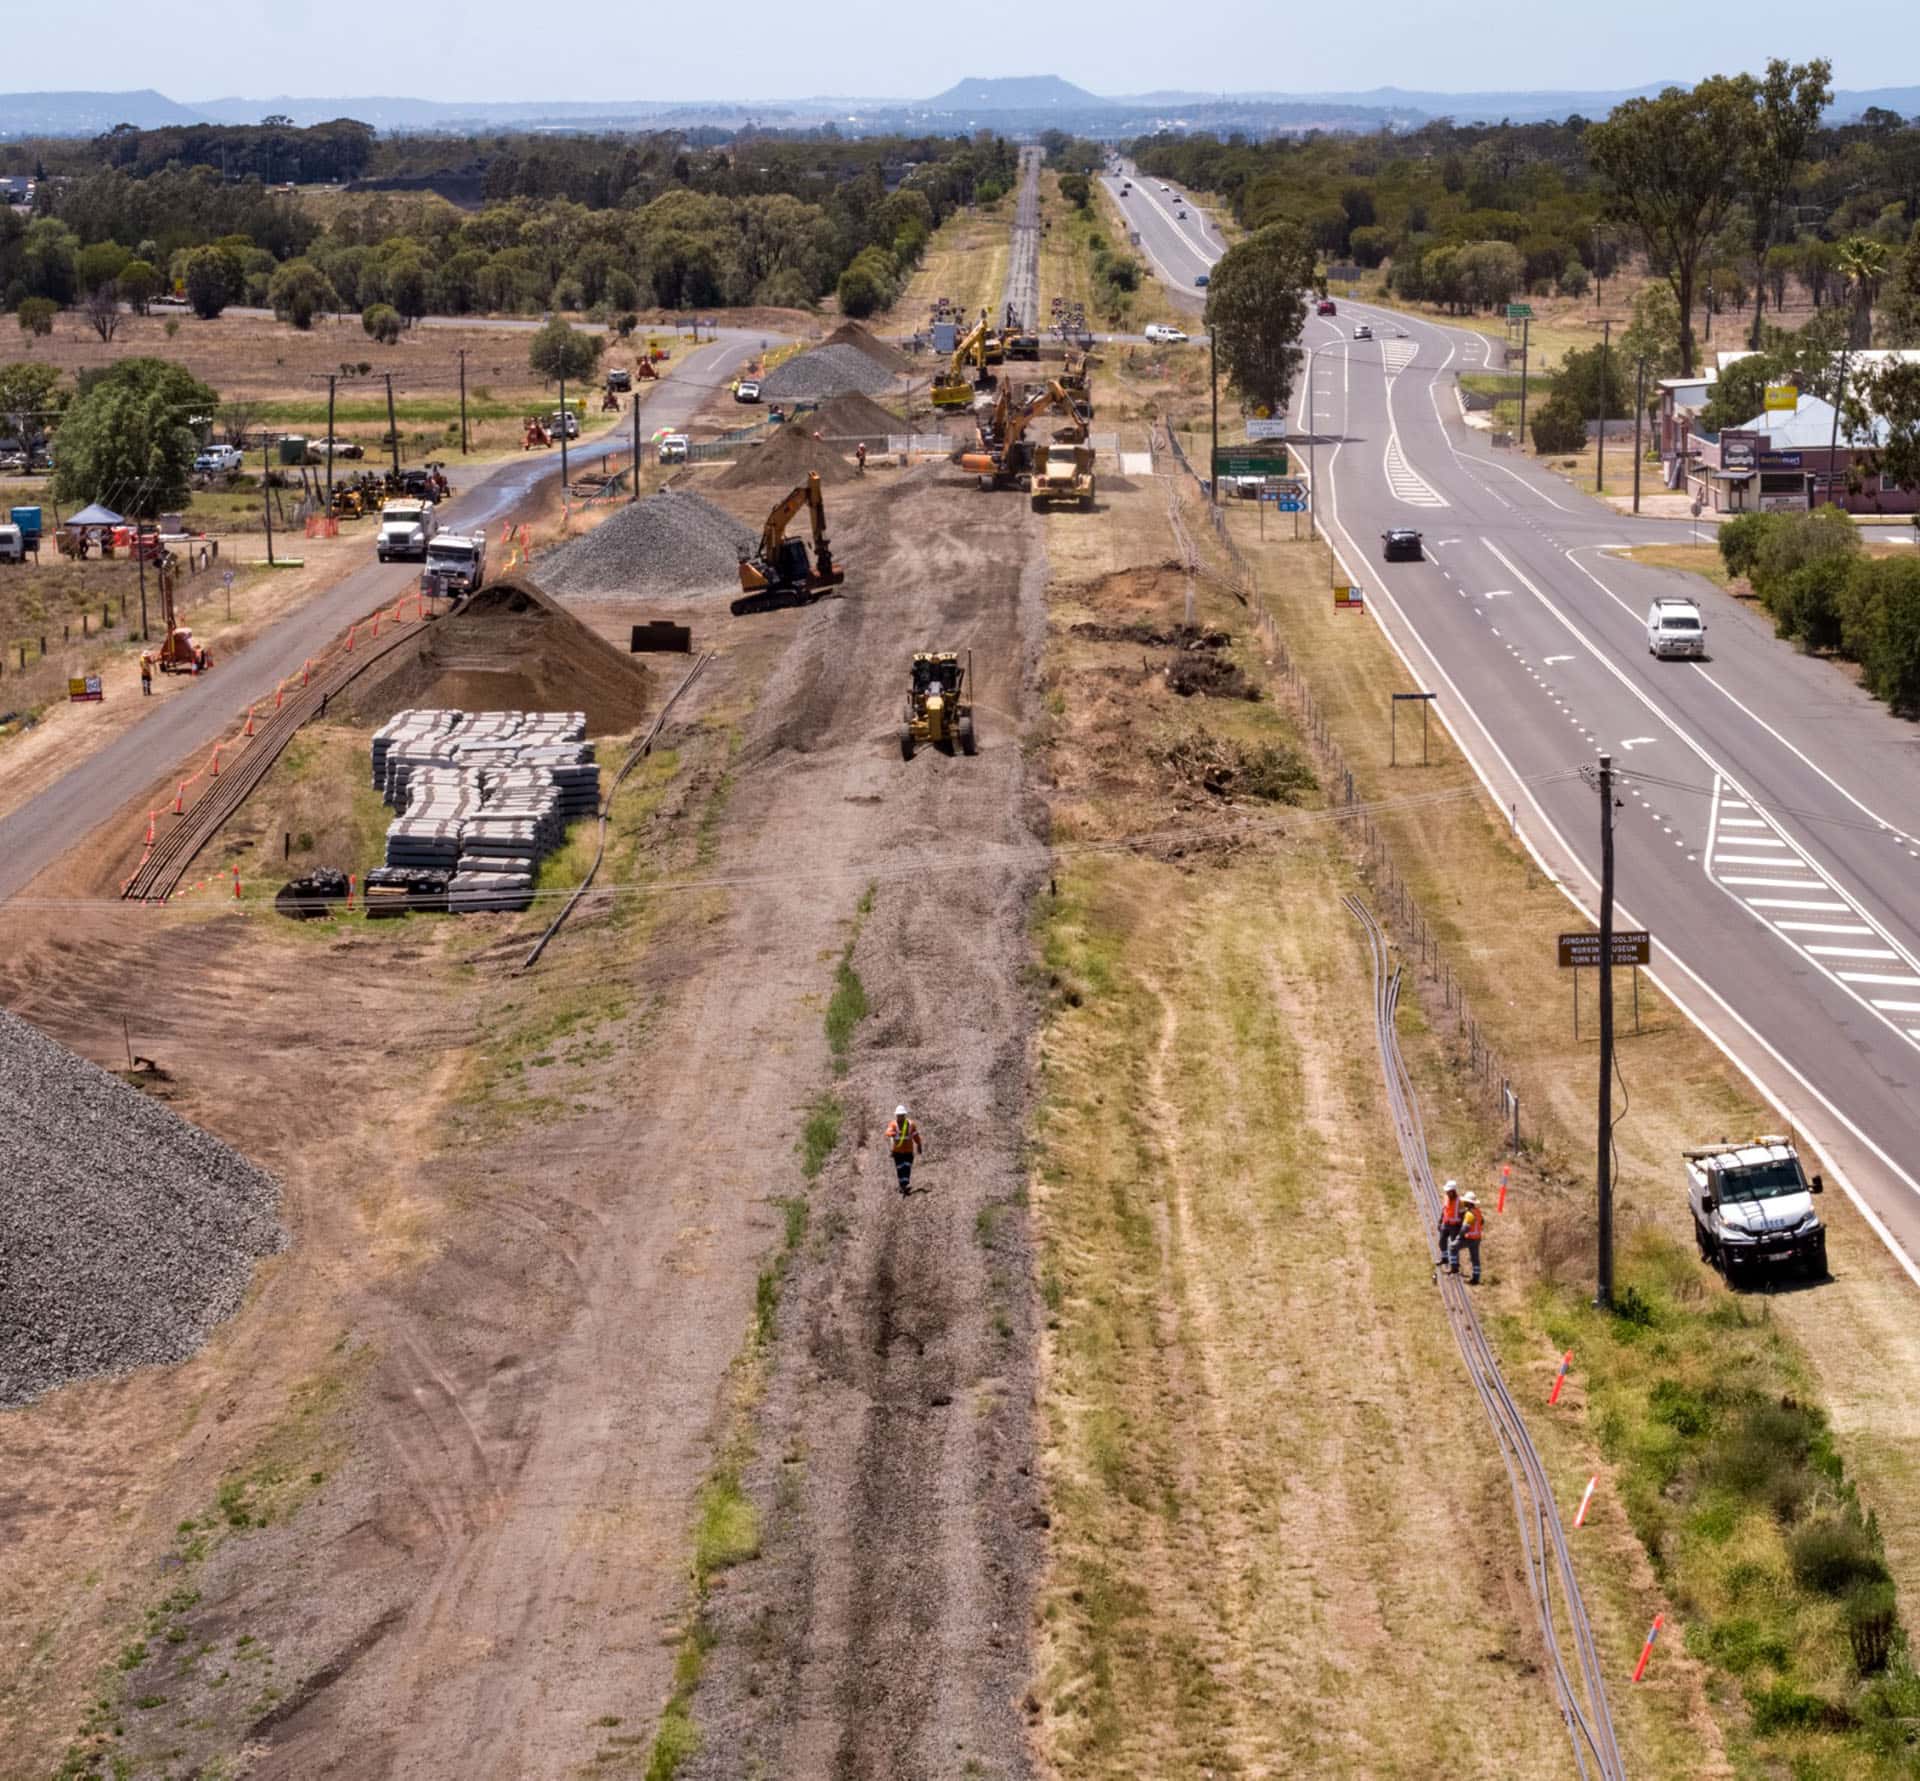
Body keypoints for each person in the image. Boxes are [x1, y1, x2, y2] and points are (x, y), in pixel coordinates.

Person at [886, 1104, 922, 1197]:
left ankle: (904, 1185)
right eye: (899, 1115)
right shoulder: (893, 1124)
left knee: (907, 1167)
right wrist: (894, 1133)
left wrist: (919, 1144)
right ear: (896, 1116)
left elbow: (915, 1135)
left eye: (902, 1115)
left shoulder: (911, 1124)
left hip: (908, 1151)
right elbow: (887, 1132)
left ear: (904, 1115)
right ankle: (903, 1186)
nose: (900, 1117)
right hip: (897, 1152)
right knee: (900, 1168)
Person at [1437, 1180, 1464, 1273]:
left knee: (1453, 1246)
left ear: (1453, 1191)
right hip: (1445, 1223)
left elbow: (1462, 1214)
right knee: (1441, 1241)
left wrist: (1461, 1228)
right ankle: (1444, 1258)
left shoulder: (1459, 1201)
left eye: (1448, 1191)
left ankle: (1454, 1266)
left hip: (1455, 1226)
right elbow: (1444, 1209)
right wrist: (1440, 1221)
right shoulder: (1446, 1197)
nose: (1447, 1192)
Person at [1459, 1192, 1485, 1284]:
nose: (1464, 1203)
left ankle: (1455, 1269)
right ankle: (1476, 1278)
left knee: (1453, 1247)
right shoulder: (1477, 1211)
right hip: (1477, 1237)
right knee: (1475, 1259)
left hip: (1470, 1238)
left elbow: (1465, 1228)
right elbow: (1482, 1222)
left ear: (1469, 1203)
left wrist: (1460, 1236)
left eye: (1466, 1201)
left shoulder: (1469, 1214)